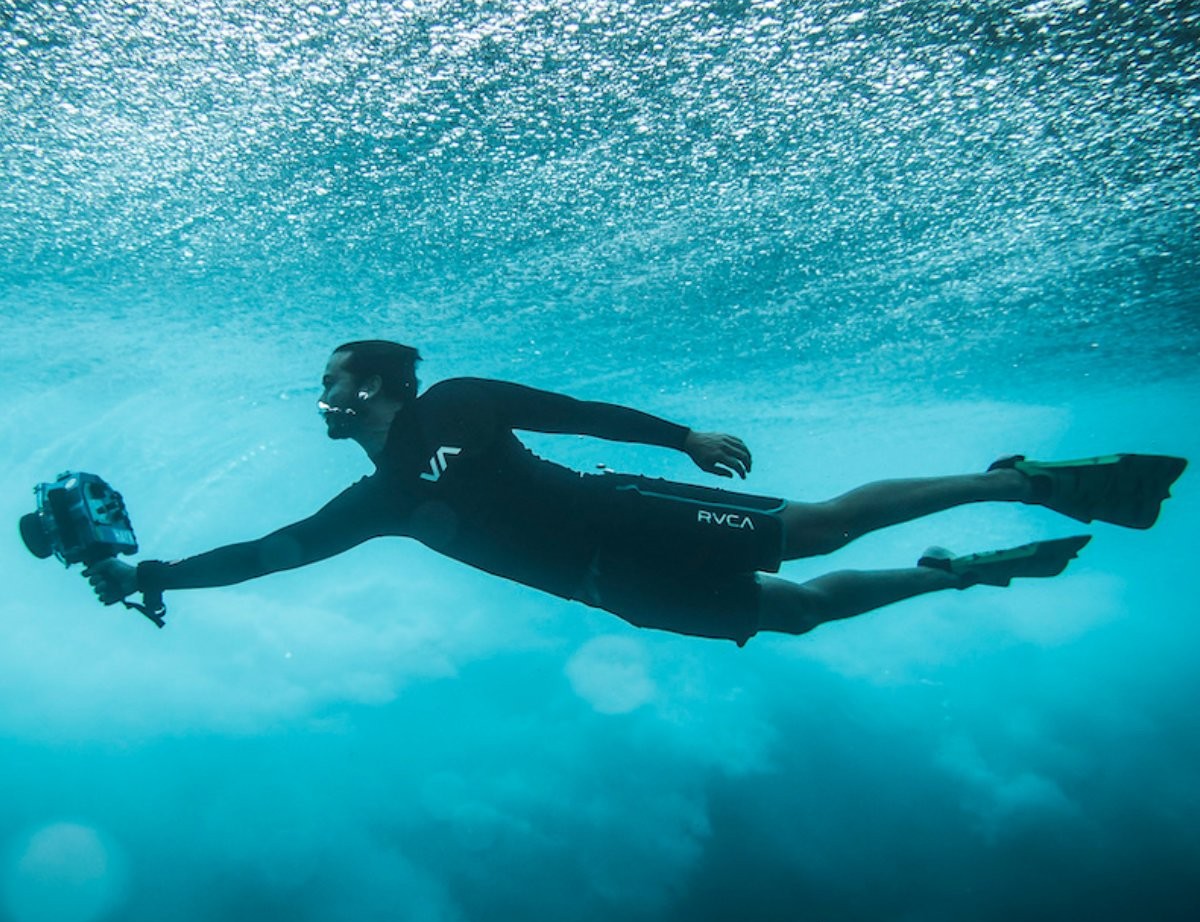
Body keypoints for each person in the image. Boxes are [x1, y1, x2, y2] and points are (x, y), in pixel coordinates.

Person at [86, 341, 1187, 646]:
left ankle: (1023, 486)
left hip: (623, 514)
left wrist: (684, 435)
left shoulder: (455, 402)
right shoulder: (375, 497)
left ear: (367, 382)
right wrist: (159, 572)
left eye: (329, 379)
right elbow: (275, 552)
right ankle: (964, 576)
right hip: (604, 583)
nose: (316, 395)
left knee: (815, 531)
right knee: (796, 614)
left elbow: (570, 415)